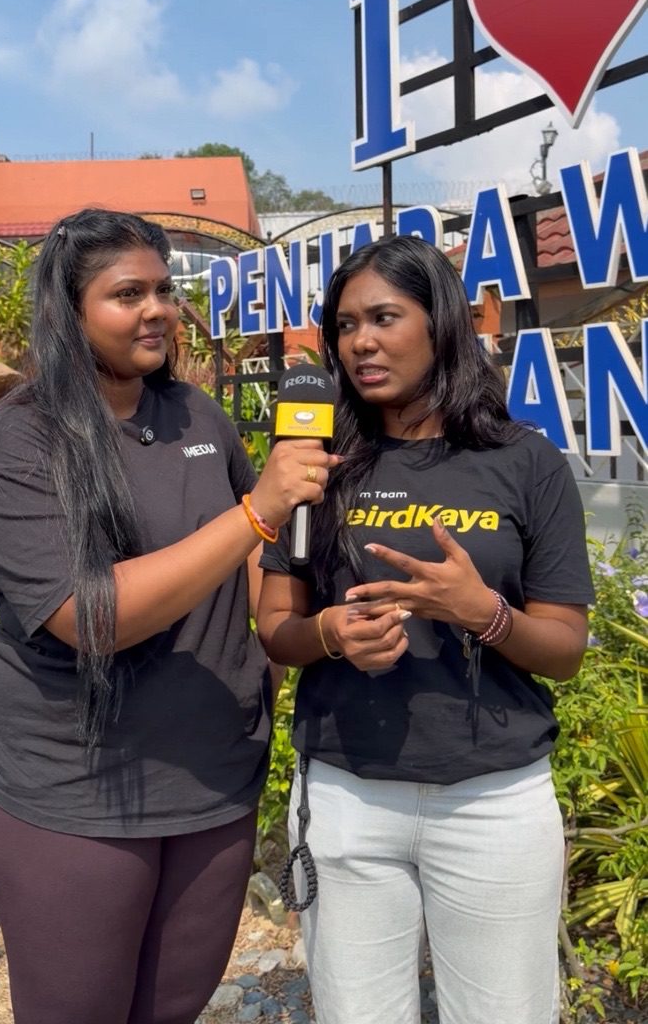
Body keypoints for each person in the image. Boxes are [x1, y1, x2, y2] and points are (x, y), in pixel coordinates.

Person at [0, 207, 337, 1024]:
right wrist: (255, 514)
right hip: (74, 787)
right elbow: (89, 617)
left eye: (164, 289)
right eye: (127, 293)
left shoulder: (194, 415)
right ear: (69, 311)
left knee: (171, 1006)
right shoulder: (19, 441)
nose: (156, 309)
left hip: (212, 772)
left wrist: (276, 644)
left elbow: (251, 556)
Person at [257, 234, 592, 1024]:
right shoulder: (316, 464)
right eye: (344, 324)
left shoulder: (525, 461)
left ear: (439, 323)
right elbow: (276, 626)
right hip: (345, 794)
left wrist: (483, 613)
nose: (360, 341)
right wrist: (331, 635)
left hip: (492, 801)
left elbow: (566, 650)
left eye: (383, 316)